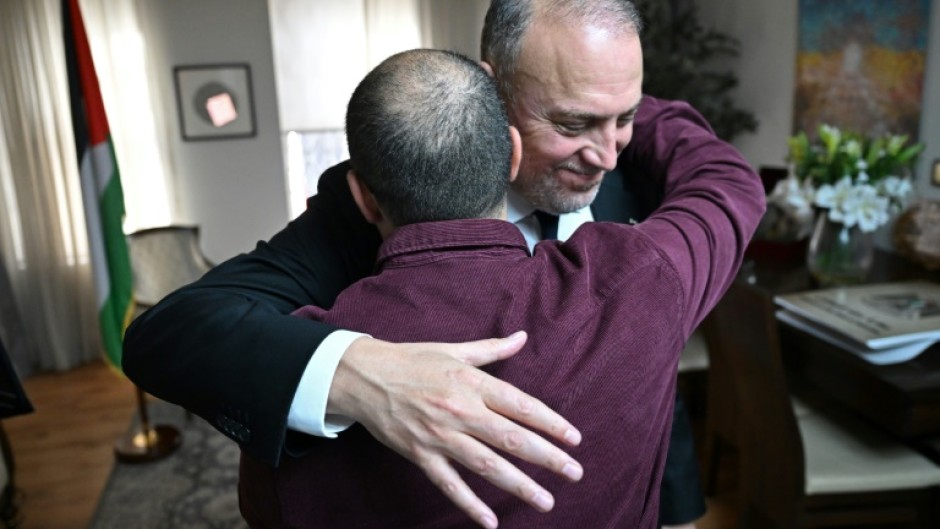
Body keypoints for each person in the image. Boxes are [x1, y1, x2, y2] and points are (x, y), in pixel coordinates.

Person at [123, 0, 757, 527]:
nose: (607, 155)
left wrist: (674, 510)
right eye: (572, 121)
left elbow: (649, 370)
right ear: (494, 93)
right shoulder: (371, 192)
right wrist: (356, 374)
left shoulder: (636, 178)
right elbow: (173, 331)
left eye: (626, 117)